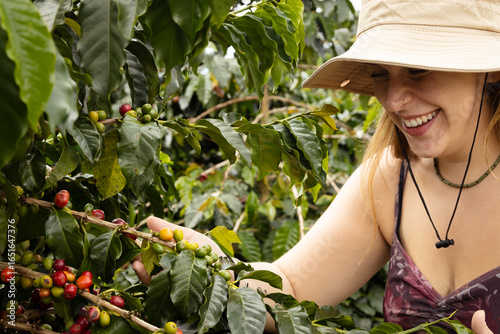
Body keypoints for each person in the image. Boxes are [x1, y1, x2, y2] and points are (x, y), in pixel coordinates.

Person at [133, 0, 500, 332]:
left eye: (418, 69)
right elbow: (291, 288)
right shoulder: (389, 179)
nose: (392, 100)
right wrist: (216, 269)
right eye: (379, 73)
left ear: (491, 70)